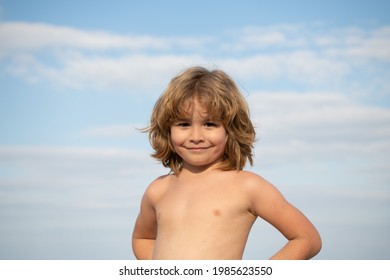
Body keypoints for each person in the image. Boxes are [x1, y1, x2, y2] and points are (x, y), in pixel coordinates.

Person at [132, 66, 322, 260]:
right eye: (184, 124)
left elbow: (306, 238)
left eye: (210, 124)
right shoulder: (158, 190)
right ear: (167, 129)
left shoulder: (248, 186)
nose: (196, 136)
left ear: (230, 130)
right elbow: (143, 238)